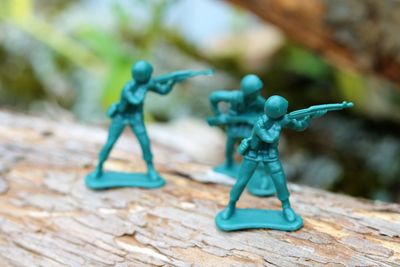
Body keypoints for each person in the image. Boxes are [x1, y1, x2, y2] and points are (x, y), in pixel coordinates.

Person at [221, 95, 325, 222]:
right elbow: (270, 138)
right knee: (242, 181)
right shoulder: (260, 124)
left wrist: (309, 117)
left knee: (280, 181)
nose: (286, 112)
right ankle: (231, 205)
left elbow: (300, 126)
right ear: (278, 112)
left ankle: (286, 207)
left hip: (270, 155)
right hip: (253, 154)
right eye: (284, 110)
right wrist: (281, 123)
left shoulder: (281, 119)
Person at [93, 60, 176, 181]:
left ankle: (150, 168)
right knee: (110, 142)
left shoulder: (147, 84)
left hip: (136, 118)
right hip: (121, 117)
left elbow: (163, 91)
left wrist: (172, 81)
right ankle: (99, 166)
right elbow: (135, 100)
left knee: (145, 143)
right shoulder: (128, 88)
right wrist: (145, 87)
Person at [208, 74, 266, 171]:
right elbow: (214, 97)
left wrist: (255, 119)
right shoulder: (234, 97)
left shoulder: (260, 102)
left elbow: (267, 114)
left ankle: (251, 168)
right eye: (255, 92)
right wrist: (218, 114)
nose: (257, 93)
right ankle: (229, 164)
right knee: (229, 148)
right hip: (234, 126)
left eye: (258, 91)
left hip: (249, 128)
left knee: (253, 147)